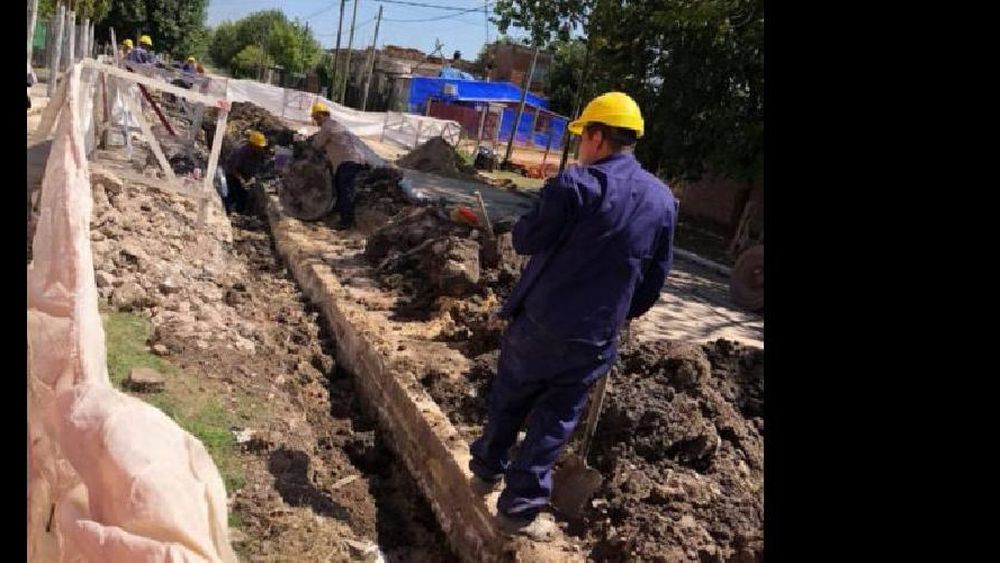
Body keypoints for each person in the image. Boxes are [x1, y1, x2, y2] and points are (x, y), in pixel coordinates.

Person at [467, 92, 677, 539]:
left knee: (510, 399)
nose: (581, 145)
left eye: (584, 136)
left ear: (598, 138)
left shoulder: (575, 186)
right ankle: (518, 509)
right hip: (594, 337)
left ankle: (486, 470)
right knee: (556, 420)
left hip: (541, 323)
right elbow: (653, 282)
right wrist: (616, 316)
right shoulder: (662, 201)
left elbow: (525, 240)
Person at [309, 102, 367, 229]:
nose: (316, 121)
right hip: (354, 159)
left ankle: (346, 221)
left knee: (344, 191)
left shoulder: (327, 127)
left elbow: (316, 145)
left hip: (347, 162)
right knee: (341, 189)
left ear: (321, 116)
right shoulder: (337, 125)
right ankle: (339, 214)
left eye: (316, 117)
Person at [222, 130, 268, 214]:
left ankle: (241, 212)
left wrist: (254, 177)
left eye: (260, 147)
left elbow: (261, 166)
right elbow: (233, 168)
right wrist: (241, 180)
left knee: (244, 196)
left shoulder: (260, 152)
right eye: (258, 146)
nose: (260, 148)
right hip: (233, 175)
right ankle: (229, 211)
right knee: (233, 193)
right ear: (251, 144)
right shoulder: (241, 151)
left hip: (246, 175)